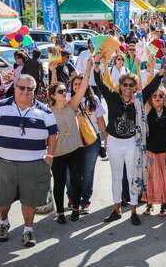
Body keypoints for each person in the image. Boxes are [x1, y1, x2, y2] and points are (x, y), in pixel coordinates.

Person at [0, 74, 58, 247]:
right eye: (22, 88)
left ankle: (28, 230)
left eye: (30, 89)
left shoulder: (44, 111)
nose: (25, 91)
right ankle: (3, 223)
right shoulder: (0, 106)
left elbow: (52, 134)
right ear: (15, 87)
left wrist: (50, 154)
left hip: (34, 164)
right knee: (2, 198)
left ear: (34, 91)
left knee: (30, 199)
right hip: (3, 164)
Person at [94, 54, 165, 226]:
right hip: (114, 143)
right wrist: (97, 67)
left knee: (132, 176)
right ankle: (116, 209)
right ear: (120, 86)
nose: (127, 88)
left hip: (132, 143)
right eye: (124, 85)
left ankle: (133, 210)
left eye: (131, 85)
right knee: (117, 176)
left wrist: (161, 72)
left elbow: (151, 87)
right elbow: (100, 84)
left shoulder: (139, 99)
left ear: (134, 87)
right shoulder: (112, 97)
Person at [48, 57, 91, 224]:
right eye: (61, 92)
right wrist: (52, 71)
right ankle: (60, 213)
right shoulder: (48, 110)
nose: (64, 93)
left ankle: (75, 209)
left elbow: (84, 86)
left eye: (65, 91)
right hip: (57, 152)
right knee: (59, 183)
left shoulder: (72, 105)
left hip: (75, 149)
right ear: (53, 95)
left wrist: (88, 67)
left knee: (76, 180)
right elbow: (53, 86)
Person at [67, 74, 107, 214]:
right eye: (75, 84)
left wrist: (105, 138)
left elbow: (100, 121)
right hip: (72, 142)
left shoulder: (94, 99)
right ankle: (72, 197)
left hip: (92, 141)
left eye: (80, 83)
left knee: (88, 173)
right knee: (70, 173)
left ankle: (85, 201)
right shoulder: (67, 99)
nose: (77, 86)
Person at [143, 85, 166, 217]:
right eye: (154, 96)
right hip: (150, 149)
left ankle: (164, 205)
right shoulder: (148, 109)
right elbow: (146, 92)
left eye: (160, 96)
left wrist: (164, 94)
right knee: (150, 178)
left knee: (164, 178)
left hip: (164, 150)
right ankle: (149, 203)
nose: (157, 98)